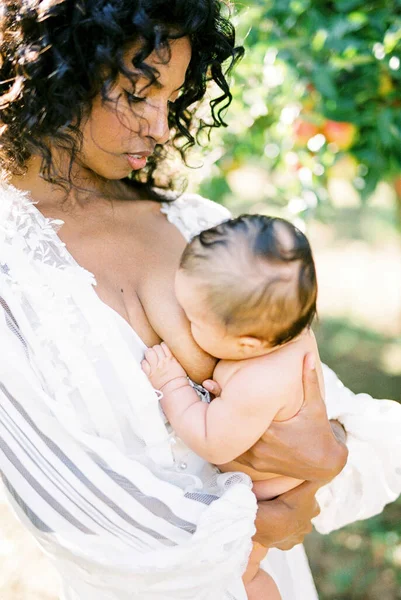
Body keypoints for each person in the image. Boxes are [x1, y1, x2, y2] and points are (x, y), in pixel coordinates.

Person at [0, 1, 400, 599]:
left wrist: (331, 454)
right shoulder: (9, 267)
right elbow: (77, 515)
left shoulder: (196, 226)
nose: (160, 127)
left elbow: (342, 418)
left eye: (172, 98)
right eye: (139, 94)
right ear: (63, 72)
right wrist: (274, 511)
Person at [141, 214, 325, 600]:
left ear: (246, 346)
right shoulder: (286, 333)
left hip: (270, 496)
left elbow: (213, 442)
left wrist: (174, 384)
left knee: (244, 579)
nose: (185, 323)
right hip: (283, 475)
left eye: (193, 320)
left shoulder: (260, 382)